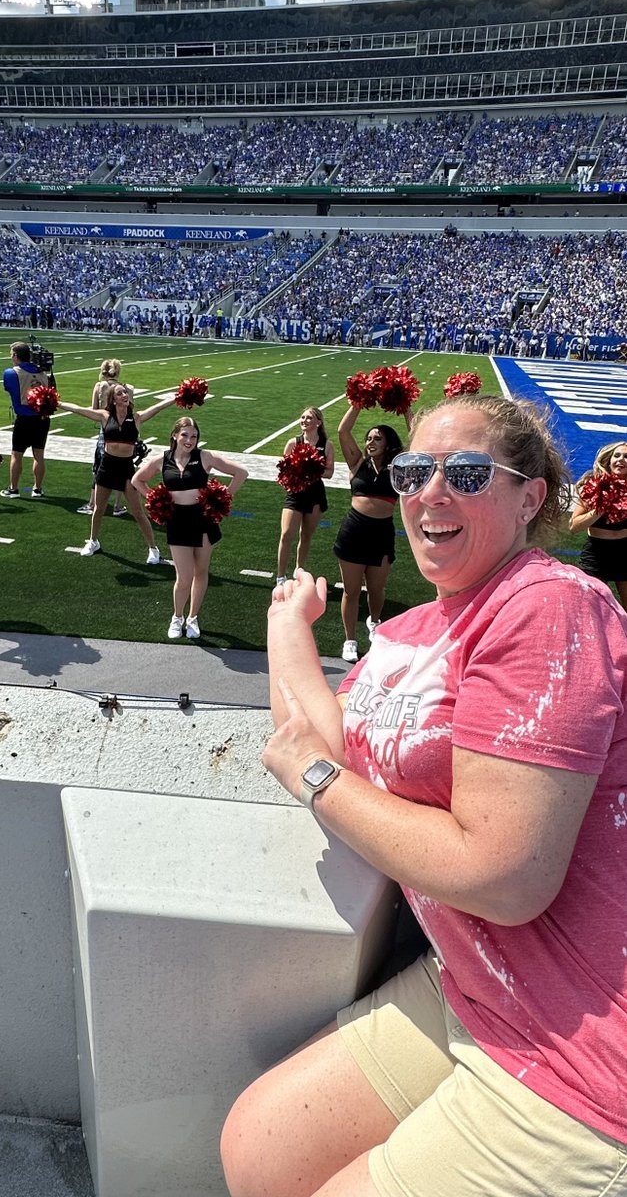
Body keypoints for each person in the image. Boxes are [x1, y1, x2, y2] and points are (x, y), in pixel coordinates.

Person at [221, 393, 627, 1197]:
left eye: (467, 474)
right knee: (258, 1151)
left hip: (584, 1051)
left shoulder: (548, 606)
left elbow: (503, 876)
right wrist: (287, 620)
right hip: (475, 985)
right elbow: (322, 734)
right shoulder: (415, 629)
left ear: (530, 497)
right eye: (413, 471)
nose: (429, 493)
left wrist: (316, 782)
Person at [132, 415, 247, 640]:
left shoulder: (205, 457)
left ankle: (193, 617)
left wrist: (223, 498)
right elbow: (137, 480)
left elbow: (241, 473)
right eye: (185, 434)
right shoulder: (161, 460)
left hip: (203, 519)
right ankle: (177, 617)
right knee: (183, 577)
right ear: (175, 435)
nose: (189, 439)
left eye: (194, 436)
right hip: (178, 521)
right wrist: (155, 500)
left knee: (201, 572)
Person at [58, 384, 175, 562]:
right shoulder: (105, 416)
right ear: (113, 399)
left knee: (137, 511)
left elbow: (158, 407)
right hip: (107, 466)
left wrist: (177, 397)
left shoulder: (136, 418)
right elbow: (78, 409)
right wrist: (57, 403)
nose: (124, 395)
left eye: (125, 392)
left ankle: (153, 549)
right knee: (99, 509)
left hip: (126, 468)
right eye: (120, 393)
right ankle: (93, 541)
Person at [334, 405, 405, 663]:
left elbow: (418, 444)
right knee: (351, 591)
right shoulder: (357, 462)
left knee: (376, 589)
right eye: (369, 438)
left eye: (378, 438)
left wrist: (406, 410)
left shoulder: (399, 467)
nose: (371, 441)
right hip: (354, 531)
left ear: (388, 444)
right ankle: (350, 639)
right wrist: (357, 403)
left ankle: (374, 622)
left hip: (382, 533)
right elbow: (343, 430)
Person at [276, 407, 335, 585]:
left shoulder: (327, 445)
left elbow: (330, 472)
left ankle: (299, 569)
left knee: (306, 535)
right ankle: (280, 576)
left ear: (318, 422)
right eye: (302, 417)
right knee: (286, 534)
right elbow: (283, 471)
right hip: (295, 493)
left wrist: (313, 471)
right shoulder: (293, 443)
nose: (304, 420)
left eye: (309, 418)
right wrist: (297, 472)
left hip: (315, 494)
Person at [569, 440, 627, 610]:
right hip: (596, 553)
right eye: (617, 455)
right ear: (609, 460)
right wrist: (600, 509)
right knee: (588, 607)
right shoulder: (594, 485)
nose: (620, 459)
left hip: (625, 552)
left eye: (626, 457)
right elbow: (574, 526)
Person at [77, 359, 127, 518]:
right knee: (122, 468)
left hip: (105, 431)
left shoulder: (99, 386)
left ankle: (93, 503)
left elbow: (94, 410)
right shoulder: (124, 388)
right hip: (123, 431)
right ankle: (118, 506)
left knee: (99, 469)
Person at [0, 341, 50, 498]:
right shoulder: (42, 373)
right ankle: (37, 488)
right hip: (42, 419)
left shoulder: (11, 372)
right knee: (39, 455)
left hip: (24, 419)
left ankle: (14, 489)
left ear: (16, 356)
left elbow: (8, 388)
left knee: (17, 454)